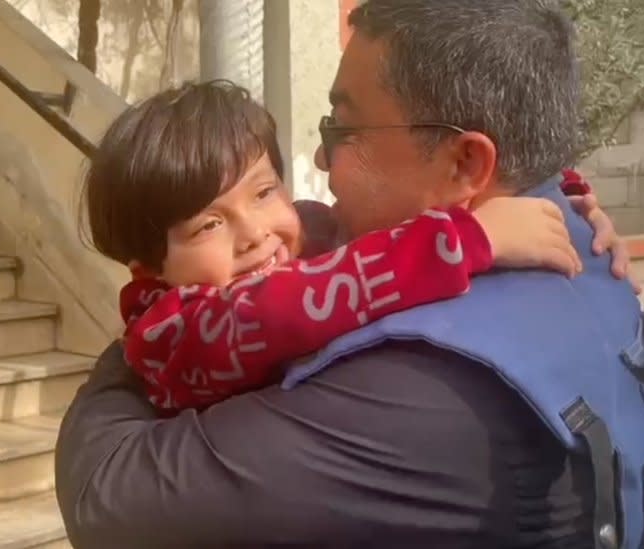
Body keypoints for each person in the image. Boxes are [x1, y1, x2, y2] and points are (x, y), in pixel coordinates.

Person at [56, 2, 644, 548]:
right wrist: (568, 192)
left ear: (465, 166)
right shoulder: (572, 238)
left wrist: (142, 329)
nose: (320, 154)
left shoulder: (415, 396)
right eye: (207, 222)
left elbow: (108, 495)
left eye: (342, 129)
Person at [86, 80, 602, 414]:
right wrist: (469, 240)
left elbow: (390, 227)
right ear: (150, 268)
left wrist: (562, 200)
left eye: (265, 193)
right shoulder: (172, 336)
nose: (254, 233)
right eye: (207, 226)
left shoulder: (303, 239)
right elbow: (281, 311)